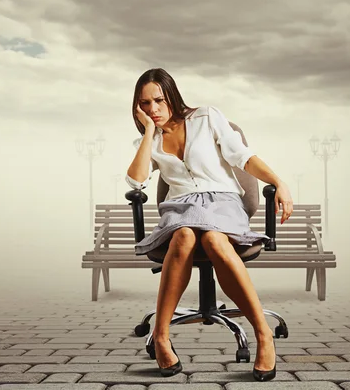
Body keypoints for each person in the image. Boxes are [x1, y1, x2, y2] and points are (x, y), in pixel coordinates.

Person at [126, 68, 294, 381]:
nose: (153, 109)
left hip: (222, 203)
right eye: (145, 104)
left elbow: (243, 156)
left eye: (159, 100)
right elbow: (135, 180)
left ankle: (263, 335)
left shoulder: (206, 117)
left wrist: (278, 181)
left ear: (171, 96)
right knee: (186, 235)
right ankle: (161, 337)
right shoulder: (148, 140)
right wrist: (149, 132)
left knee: (214, 241)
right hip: (181, 208)